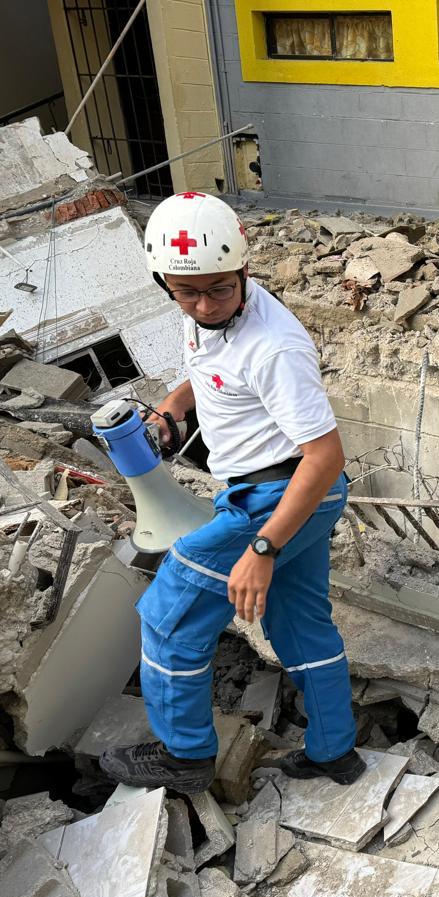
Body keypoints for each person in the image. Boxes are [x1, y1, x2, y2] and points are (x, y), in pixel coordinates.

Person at [99, 192, 366, 794]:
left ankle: (184, 755)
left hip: (281, 495)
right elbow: (206, 370)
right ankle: (335, 753)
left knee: (170, 618)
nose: (202, 304)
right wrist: (172, 409)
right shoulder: (204, 314)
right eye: (185, 291)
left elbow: (325, 458)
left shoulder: (276, 347)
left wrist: (262, 551)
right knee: (300, 625)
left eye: (218, 289)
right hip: (293, 498)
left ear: (244, 270)